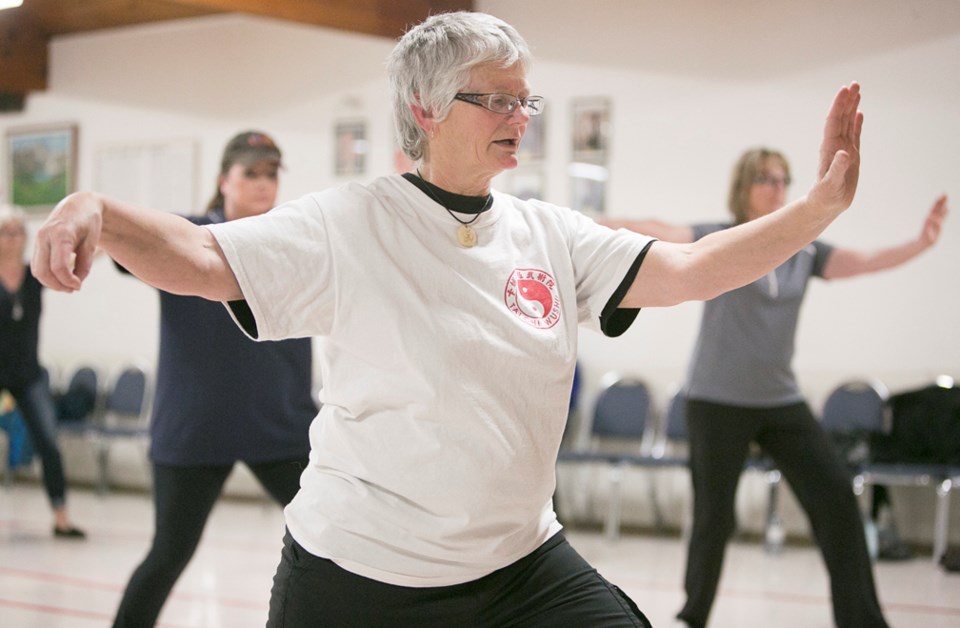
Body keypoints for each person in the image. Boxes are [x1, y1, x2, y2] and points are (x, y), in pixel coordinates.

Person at [32, 11, 865, 627]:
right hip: (356, 577)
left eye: (525, 102)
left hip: (518, 566)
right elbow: (204, 257)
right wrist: (94, 208)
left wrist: (817, 209)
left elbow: (686, 272)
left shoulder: (548, 231)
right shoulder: (350, 220)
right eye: (495, 100)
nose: (519, 119)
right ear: (426, 109)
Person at [603, 148, 947, 628]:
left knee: (837, 504)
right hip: (715, 399)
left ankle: (863, 622)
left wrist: (921, 243)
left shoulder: (805, 249)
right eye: (765, 178)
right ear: (744, 186)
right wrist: (583, 218)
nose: (777, 187)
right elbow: (656, 228)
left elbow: (863, 261)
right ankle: (692, 617)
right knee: (714, 520)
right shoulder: (718, 236)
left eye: (784, 179)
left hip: (780, 401)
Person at [110, 131, 318, 627]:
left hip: (281, 425)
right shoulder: (189, 235)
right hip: (195, 427)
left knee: (336, 544)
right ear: (224, 179)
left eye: (271, 174)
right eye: (251, 173)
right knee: (169, 554)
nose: (263, 183)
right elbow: (126, 248)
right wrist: (94, 221)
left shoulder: (295, 234)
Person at [0, 204, 85, 538]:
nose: (12, 238)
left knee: (48, 442)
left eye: (17, 231)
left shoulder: (35, 275)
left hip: (28, 374)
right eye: (5, 232)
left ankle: (61, 516)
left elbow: (72, 265)